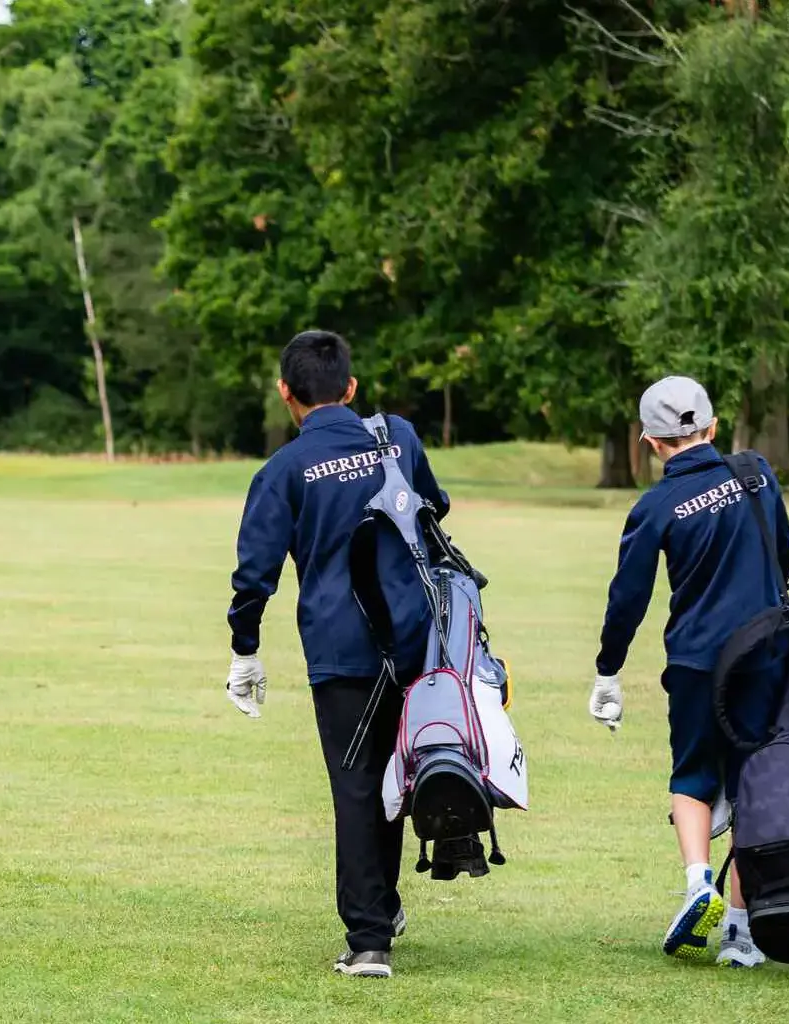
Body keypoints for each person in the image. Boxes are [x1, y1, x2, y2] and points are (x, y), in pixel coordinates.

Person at [224, 330, 447, 980]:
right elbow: (438, 510)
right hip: (417, 642)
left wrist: (246, 650)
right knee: (396, 779)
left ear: (285, 394)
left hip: (340, 649)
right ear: (351, 387)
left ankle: (370, 939)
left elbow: (254, 571)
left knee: (356, 787)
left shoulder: (285, 469)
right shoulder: (397, 436)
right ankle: (385, 906)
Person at [589, 375, 789, 970]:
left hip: (697, 662)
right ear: (712, 426)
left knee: (693, 776)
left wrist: (609, 670)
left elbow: (627, 597)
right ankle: (740, 930)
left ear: (651, 441)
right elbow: (782, 551)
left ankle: (697, 881)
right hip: (765, 651)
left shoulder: (654, 505)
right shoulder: (755, 471)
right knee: (753, 783)